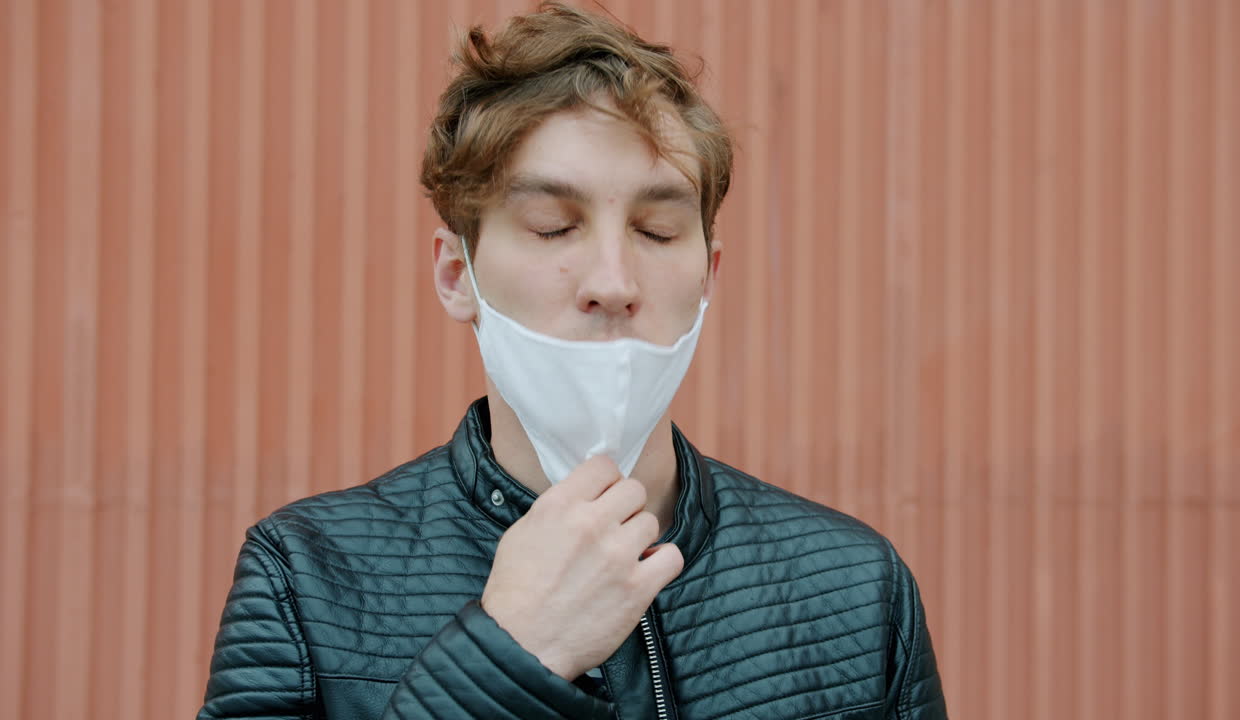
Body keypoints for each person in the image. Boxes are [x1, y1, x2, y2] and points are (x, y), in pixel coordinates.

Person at [198, 4, 947, 719]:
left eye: (657, 231)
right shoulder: (308, 577)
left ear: (709, 277)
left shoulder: (854, 590)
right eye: (554, 227)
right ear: (457, 275)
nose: (614, 283)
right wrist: (507, 657)